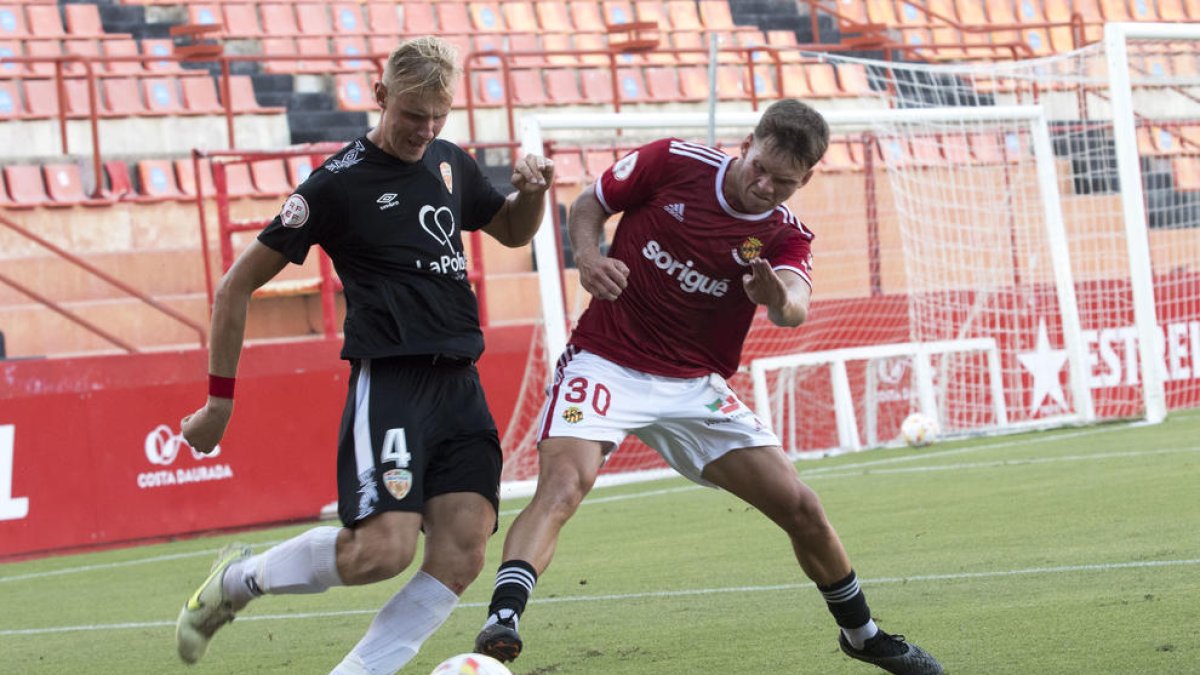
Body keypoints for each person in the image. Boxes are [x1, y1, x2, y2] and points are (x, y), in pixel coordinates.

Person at [473, 99, 943, 675]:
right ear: (747, 143)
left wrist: (774, 296)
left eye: (784, 182)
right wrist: (589, 258)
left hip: (694, 385)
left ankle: (863, 635)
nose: (765, 186)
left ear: (808, 179)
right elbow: (592, 203)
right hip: (606, 360)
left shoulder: (784, 235)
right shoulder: (671, 161)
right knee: (567, 484)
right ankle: (504, 618)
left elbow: (795, 306)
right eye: (760, 168)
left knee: (802, 507)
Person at [174, 36, 554, 674]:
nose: (424, 129)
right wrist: (218, 402)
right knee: (381, 551)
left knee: (462, 552)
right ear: (380, 96)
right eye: (412, 114)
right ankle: (238, 581)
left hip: (461, 383)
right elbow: (235, 285)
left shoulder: (450, 163)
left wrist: (535, 191)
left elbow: (514, 228)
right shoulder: (336, 184)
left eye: (438, 116)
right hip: (394, 381)